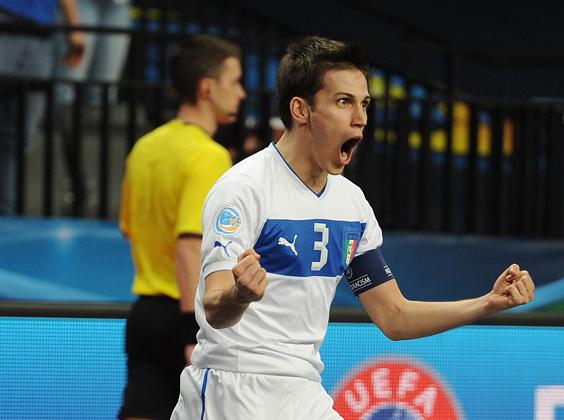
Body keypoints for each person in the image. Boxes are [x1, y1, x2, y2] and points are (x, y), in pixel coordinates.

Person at [171, 35, 535, 420]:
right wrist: (240, 293)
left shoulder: (352, 205)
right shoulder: (243, 189)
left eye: (364, 104)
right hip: (234, 388)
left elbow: (394, 317)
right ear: (301, 110)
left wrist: (487, 303)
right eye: (343, 102)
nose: (360, 118)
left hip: (304, 392)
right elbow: (215, 307)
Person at [118, 34, 246, 420]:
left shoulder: (145, 146)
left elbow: (130, 229)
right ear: (207, 88)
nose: (241, 93)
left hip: (143, 316)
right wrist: (192, 332)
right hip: (186, 319)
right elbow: (191, 246)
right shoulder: (209, 156)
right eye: (234, 81)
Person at [0, 0, 84, 214]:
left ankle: (6, 218)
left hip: (42, 31)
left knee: (19, 138)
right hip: (6, 19)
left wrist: (74, 27)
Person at [52, 0, 132, 216]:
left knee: (103, 94)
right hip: (80, 4)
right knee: (67, 92)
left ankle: (91, 178)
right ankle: (74, 180)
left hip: (118, 6)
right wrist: (73, 23)